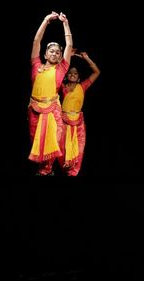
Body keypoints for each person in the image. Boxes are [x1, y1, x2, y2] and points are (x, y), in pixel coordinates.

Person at [28, 11, 73, 176]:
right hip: (34, 108)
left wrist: (65, 23)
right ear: (45, 54)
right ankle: (41, 170)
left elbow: (68, 45)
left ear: (60, 57)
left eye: (57, 52)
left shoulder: (61, 69)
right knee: (35, 141)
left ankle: (47, 171)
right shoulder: (36, 65)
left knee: (52, 140)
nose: (54, 53)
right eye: (51, 51)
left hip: (53, 109)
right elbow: (36, 40)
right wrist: (46, 20)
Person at [58, 50, 100, 176]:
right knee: (62, 147)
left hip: (78, 123)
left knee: (79, 148)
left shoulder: (82, 86)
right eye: (70, 73)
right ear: (66, 76)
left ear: (78, 77)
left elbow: (97, 72)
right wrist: (65, 58)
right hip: (63, 120)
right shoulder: (62, 87)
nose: (72, 74)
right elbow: (57, 71)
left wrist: (87, 58)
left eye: (75, 73)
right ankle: (64, 170)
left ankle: (73, 173)